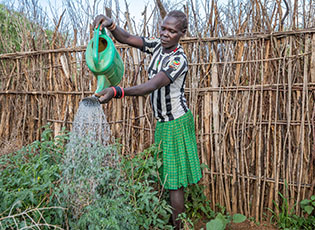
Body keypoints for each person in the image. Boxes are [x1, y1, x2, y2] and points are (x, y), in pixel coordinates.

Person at [93, 10, 202, 229]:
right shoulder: (157, 46)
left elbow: (152, 86)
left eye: (171, 31)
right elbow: (127, 38)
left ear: (182, 33)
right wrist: (111, 25)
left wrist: (117, 91)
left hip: (176, 122)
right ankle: (172, 222)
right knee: (169, 175)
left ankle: (178, 227)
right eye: (163, 28)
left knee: (174, 183)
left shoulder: (178, 60)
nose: (165, 34)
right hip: (163, 122)